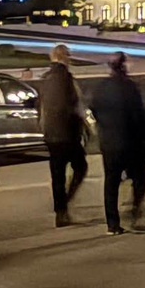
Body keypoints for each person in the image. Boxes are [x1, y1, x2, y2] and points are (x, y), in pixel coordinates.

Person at [90, 54, 145, 235]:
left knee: (111, 182)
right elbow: (139, 115)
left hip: (109, 142)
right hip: (129, 141)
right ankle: (134, 211)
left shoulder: (101, 87)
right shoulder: (129, 87)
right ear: (124, 66)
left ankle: (112, 223)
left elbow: (94, 110)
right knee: (140, 177)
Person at [38, 45, 87, 227]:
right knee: (81, 167)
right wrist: (82, 128)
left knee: (57, 175)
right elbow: (76, 106)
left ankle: (60, 213)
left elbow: (40, 106)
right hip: (68, 134)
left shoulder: (45, 79)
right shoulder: (67, 78)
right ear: (65, 57)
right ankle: (65, 200)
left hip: (51, 134)